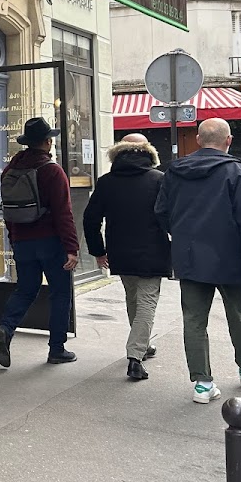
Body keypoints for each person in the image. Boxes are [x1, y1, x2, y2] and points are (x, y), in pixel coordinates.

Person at [155, 117, 241, 404]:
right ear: (228, 141)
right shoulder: (239, 172)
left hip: (189, 256)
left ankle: (202, 384)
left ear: (199, 140)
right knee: (239, 315)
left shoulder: (174, 171)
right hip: (231, 257)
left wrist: (180, 236)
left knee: (193, 319)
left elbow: (161, 211)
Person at [0, 117, 80, 368]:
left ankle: (6, 329)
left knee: (26, 290)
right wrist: (71, 248)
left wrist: (14, 237)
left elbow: (8, 209)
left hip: (22, 241)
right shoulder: (52, 171)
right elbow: (64, 212)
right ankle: (56, 349)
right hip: (51, 242)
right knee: (60, 293)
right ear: (47, 142)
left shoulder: (11, 170)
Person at [82, 133, 171, 381]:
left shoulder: (106, 182)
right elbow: (170, 216)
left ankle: (142, 345)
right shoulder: (159, 179)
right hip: (153, 250)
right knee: (147, 303)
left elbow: (90, 219)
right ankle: (135, 357)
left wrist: (98, 251)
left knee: (133, 298)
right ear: (147, 151)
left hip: (119, 251)